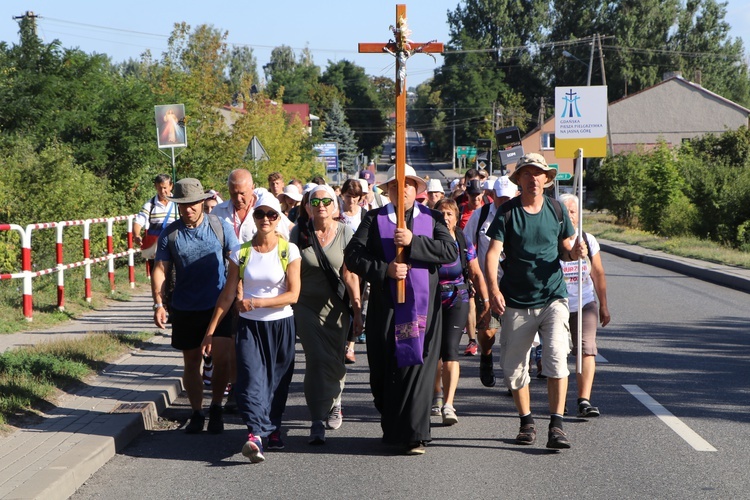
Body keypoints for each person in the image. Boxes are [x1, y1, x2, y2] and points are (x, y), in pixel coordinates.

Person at [344, 164, 457, 456]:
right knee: (383, 371)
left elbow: (449, 252)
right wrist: (385, 269)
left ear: (416, 190)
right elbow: (353, 255)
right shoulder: (373, 218)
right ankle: (393, 424)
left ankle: (416, 435)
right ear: (389, 190)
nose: (402, 189)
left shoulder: (432, 218)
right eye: (396, 185)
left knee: (417, 366)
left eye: (408, 184)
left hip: (422, 309)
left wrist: (414, 243)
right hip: (386, 306)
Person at [484, 153, 586, 450]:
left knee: (555, 356)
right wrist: (493, 290)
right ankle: (527, 421)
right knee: (514, 368)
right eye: (527, 173)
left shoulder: (556, 210)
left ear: (546, 179)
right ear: (520, 180)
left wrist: (575, 252)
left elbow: (566, 250)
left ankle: (557, 424)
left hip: (553, 296)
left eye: (538, 173)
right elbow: (493, 254)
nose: (533, 178)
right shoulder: (507, 213)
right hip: (516, 299)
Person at [202, 191, 300, 463]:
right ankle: (255, 434)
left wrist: (257, 302)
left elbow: (294, 295)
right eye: (260, 214)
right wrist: (211, 331)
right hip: (249, 328)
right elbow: (227, 294)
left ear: (278, 218)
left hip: (281, 325)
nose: (265, 219)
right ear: (254, 217)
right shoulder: (241, 252)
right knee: (249, 379)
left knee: (278, 382)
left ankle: (275, 428)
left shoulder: (288, 250)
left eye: (271, 214)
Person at [151, 178, 238, 435]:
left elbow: (235, 261)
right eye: (182, 205)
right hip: (186, 307)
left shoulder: (220, 227)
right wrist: (158, 303)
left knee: (221, 360)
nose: (188, 209)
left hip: (219, 305)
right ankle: (197, 411)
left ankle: (217, 407)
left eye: (192, 204)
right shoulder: (171, 234)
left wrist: (238, 293)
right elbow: (160, 269)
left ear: (202, 202)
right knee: (192, 362)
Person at [291, 184, 363, 444]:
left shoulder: (346, 232)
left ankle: (335, 400)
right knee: (317, 359)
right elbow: (288, 269)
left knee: (335, 360)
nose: (320, 206)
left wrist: (357, 308)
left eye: (326, 201)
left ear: (335, 207)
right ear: (308, 207)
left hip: (337, 308)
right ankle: (316, 420)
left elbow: (351, 274)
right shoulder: (298, 233)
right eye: (315, 201)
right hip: (306, 306)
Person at [431, 198, 490, 426]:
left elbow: (475, 272)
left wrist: (485, 300)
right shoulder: (427, 239)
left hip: (458, 298)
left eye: (449, 214)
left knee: (450, 351)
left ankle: (448, 404)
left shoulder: (463, 240)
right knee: (433, 351)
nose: (445, 218)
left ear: (456, 218)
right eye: (441, 214)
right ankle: (436, 396)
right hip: (432, 299)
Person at [463, 175, 519, 387]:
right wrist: (471, 275)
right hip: (488, 283)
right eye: (500, 198)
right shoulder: (482, 215)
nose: (504, 202)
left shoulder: (522, 214)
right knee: (487, 332)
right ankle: (486, 356)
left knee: (517, 335)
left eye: (508, 198)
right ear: (492, 195)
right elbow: (466, 244)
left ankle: (514, 378)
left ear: (515, 195)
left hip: (516, 283)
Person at [558, 193, 611, 418]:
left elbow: (597, 272)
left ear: (579, 215)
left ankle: (584, 399)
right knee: (557, 353)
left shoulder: (588, 239)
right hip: (557, 303)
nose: (570, 215)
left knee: (586, 348)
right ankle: (558, 400)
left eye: (573, 211)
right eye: (565, 211)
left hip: (585, 301)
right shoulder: (552, 238)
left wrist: (603, 305)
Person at [133, 174, 178, 293]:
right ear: (155, 187)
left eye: (165, 188)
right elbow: (139, 221)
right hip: (156, 248)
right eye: (159, 188)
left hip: (175, 245)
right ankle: (159, 301)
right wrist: (137, 235)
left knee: (174, 276)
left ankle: (172, 300)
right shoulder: (150, 205)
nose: (162, 191)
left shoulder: (178, 203)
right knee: (157, 275)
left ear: (171, 186)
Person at [339, 178, 367, 364]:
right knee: (342, 302)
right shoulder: (337, 214)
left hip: (359, 265)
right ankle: (341, 341)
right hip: (340, 265)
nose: (352, 201)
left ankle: (351, 345)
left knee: (356, 303)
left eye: (355, 197)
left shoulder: (365, 215)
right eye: (349, 197)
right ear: (342, 196)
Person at [459, 179, 485, 357]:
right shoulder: (460, 212)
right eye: (472, 195)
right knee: (471, 301)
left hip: (485, 264)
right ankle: (472, 339)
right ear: (467, 195)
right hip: (467, 262)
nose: (476, 198)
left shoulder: (489, 211)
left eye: (478, 194)